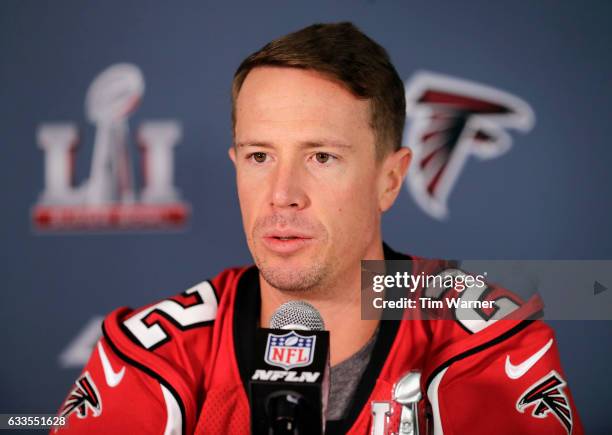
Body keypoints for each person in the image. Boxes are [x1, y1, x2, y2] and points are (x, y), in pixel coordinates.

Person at [54, 22, 583, 434]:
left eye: (322, 157)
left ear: (390, 179)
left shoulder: (487, 341)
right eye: (260, 155)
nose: (283, 193)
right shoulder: (152, 354)